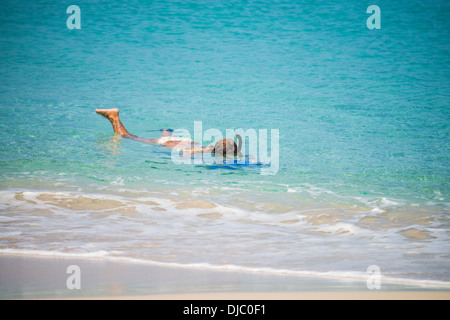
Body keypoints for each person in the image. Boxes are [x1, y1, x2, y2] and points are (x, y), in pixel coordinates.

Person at [95, 108, 242, 158]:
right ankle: (114, 117)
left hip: (184, 140)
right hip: (170, 144)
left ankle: (165, 131)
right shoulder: (205, 152)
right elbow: (188, 153)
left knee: (167, 137)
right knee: (128, 136)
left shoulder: (210, 148)